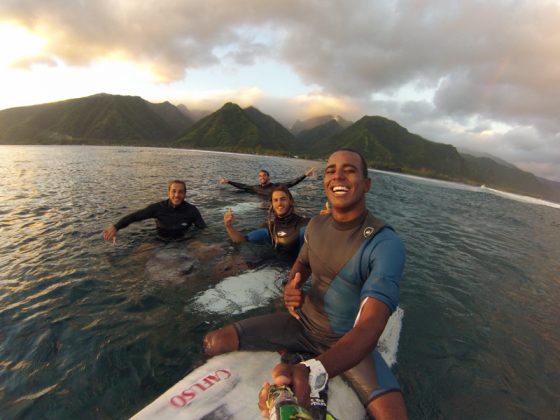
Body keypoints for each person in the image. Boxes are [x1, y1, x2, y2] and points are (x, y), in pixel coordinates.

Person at [203, 149, 407, 419]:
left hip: (348, 342)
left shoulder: (385, 243)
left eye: (349, 170)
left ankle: (298, 360)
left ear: (366, 184)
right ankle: (294, 355)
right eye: (331, 170)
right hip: (303, 325)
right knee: (214, 342)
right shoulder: (316, 226)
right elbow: (302, 264)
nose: (338, 175)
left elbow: (371, 325)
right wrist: (291, 288)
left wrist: (318, 369)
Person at [223, 185, 309, 261]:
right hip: (274, 267)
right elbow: (242, 240)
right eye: (275, 200)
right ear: (271, 204)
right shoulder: (270, 227)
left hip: (298, 270)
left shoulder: (305, 223)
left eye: (283, 199)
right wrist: (229, 227)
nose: (279, 203)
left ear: (290, 201)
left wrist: (322, 222)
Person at [102, 180, 206, 241]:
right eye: (173, 191)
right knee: (138, 256)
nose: (177, 195)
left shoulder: (192, 210)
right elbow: (135, 216)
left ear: (185, 194)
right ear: (168, 193)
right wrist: (116, 227)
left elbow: (203, 229)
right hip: (160, 241)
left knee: (210, 251)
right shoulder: (158, 208)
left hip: (185, 241)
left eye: (180, 192)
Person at [219, 167, 316, 198]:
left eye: (264, 175)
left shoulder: (276, 186)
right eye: (260, 176)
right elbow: (243, 186)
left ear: (268, 177)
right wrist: (228, 181)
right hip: (259, 205)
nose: (262, 177)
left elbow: (291, 183)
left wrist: (305, 175)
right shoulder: (255, 188)